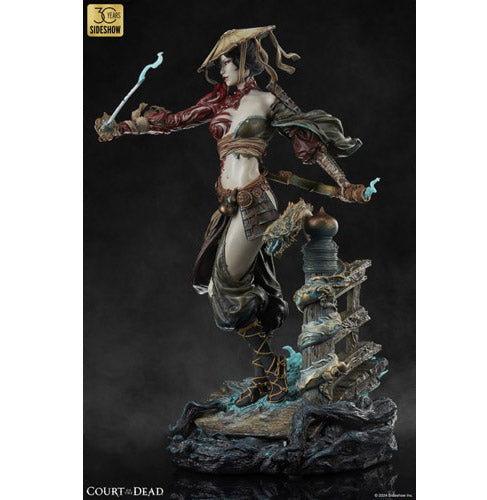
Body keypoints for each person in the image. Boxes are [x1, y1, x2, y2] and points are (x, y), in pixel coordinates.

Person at [95, 26, 369, 407]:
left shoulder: (267, 101)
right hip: (228, 206)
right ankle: (265, 376)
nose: (222, 68)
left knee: (226, 283)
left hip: (255, 204)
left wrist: (345, 184)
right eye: (221, 62)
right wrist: (122, 127)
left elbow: (310, 141)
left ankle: (273, 369)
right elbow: (172, 121)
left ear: (246, 61)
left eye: (228, 61)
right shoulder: (218, 102)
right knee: (219, 287)